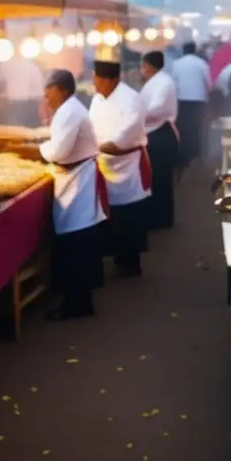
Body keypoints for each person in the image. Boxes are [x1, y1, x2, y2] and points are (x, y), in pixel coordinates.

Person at [39, 70, 107, 320]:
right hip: (74, 177)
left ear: (63, 90)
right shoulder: (67, 109)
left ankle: (76, 303)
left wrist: (39, 147)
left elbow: (59, 151)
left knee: (76, 241)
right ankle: (77, 300)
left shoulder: (69, 111)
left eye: (50, 91)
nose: (46, 96)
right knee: (75, 239)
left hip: (77, 180)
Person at [89, 60, 151, 277]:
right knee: (108, 214)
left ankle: (131, 263)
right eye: (95, 78)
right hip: (102, 163)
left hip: (127, 165)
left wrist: (93, 148)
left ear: (114, 79)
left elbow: (122, 138)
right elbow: (90, 127)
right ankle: (114, 256)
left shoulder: (132, 99)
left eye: (100, 80)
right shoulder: (96, 99)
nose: (96, 84)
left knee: (129, 214)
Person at [140, 51, 180, 229]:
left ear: (147, 65)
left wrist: (135, 114)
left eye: (143, 65)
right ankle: (157, 217)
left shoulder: (164, 82)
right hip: (152, 132)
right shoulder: (154, 82)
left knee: (161, 178)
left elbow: (156, 109)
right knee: (155, 178)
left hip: (161, 132)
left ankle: (162, 220)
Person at [171, 42, 211, 170]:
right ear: (195, 51)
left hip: (181, 99)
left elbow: (172, 83)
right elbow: (209, 83)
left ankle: (183, 156)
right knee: (196, 127)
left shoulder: (176, 64)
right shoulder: (202, 63)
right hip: (198, 100)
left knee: (182, 127)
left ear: (183, 50)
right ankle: (196, 155)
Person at [0, 54, 45, 127]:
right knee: (30, 128)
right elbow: (39, 88)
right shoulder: (32, 66)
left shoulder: (5, 64)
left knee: (13, 128)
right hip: (28, 102)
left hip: (13, 101)